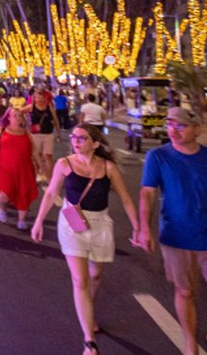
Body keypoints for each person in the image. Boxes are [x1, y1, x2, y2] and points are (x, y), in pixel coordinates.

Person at [138, 107, 207, 355]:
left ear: (197, 128)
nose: (174, 130)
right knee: (185, 291)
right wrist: (144, 228)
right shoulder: (158, 156)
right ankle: (190, 342)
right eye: (170, 125)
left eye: (181, 125)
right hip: (176, 237)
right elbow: (148, 193)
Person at [32, 124, 140, 355]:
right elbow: (51, 193)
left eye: (82, 138)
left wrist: (138, 227)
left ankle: (87, 310)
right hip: (72, 222)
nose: (76, 141)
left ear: (95, 143)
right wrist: (39, 221)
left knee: (95, 275)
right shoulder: (65, 164)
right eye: (74, 137)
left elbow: (126, 199)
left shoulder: (108, 168)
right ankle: (89, 341)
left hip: (100, 224)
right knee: (80, 280)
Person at [0, 106, 39, 230]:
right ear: (9, 118)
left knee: (24, 194)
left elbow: (34, 150)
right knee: (5, 192)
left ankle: (21, 220)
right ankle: (2, 208)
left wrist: (39, 163)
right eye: (14, 115)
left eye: (20, 115)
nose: (17, 118)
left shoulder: (26, 132)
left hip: (25, 169)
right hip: (5, 168)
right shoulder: (2, 130)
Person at [29, 87, 61, 181]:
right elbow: (20, 112)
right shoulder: (32, 107)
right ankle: (37, 174)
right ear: (34, 98)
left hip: (48, 134)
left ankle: (49, 176)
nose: (40, 99)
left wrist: (58, 133)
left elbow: (55, 119)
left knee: (48, 156)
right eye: (37, 97)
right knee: (36, 155)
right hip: (36, 135)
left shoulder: (49, 106)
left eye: (41, 97)